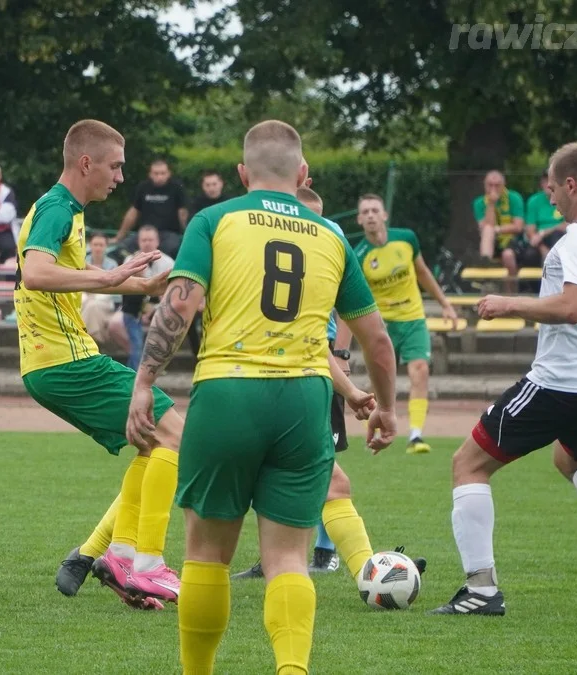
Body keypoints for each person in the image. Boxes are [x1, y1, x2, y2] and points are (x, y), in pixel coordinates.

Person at [127, 120, 399, 674]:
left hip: (228, 391)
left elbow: (180, 306)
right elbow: (376, 340)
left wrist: (145, 382)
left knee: (206, 555)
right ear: (302, 174)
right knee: (289, 558)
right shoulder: (330, 235)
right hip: (303, 400)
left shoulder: (213, 219)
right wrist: (386, 408)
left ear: (241, 173)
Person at [430, 142, 577, 617]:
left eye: (553, 184)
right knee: (572, 458)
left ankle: (481, 589)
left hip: (560, 384)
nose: (549, 193)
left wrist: (508, 303)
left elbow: (572, 307)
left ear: (572, 184)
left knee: (468, 464)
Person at [15, 120, 186, 610]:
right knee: (175, 436)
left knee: (152, 445)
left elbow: (75, 273)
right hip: (66, 362)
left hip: (58, 364)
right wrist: (113, 275)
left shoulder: (67, 210)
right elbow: (36, 273)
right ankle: (144, 564)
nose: (119, 177)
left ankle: (117, 559)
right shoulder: (56, 208)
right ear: (86, 163)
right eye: (115, 166)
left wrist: (141, 286)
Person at [231, 186, 427, 584]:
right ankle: (362, 569)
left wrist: (347, 380)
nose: (316, 226)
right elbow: (360, 340)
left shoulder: (262, 246)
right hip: (293, 386)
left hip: (255, 384)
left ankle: (349, 564)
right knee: (321, 479)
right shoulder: (322, 253)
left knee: (316, 478)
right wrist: (356, 391)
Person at [354, 194, 458, 454]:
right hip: (381, 326)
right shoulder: (358, 255)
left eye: (374, 210)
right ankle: (378, 427)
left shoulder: (406, 239)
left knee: (420, 370)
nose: (370, 215)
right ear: (359, 220)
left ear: (384, 215)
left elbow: (422, 272)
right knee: (381, 381)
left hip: (412, 318)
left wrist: (445, 304)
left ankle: (415, 436)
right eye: (365, 212)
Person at [119, 225, 174, 369]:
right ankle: (134, 373)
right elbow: (123, 289)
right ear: (138, 242)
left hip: (159, 309)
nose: (147, 243)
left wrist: (153, 310)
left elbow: (169, 296)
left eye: (150, 240)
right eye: (144, 240)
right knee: (135, 343)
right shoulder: (130, 260)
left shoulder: (168, 263)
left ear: (157, 242)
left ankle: (142, 371)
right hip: (132, 309)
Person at [111, 159, 189, 257]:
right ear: (150, 174)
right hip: (145, 232)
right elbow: (133, 212)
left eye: (162, 173)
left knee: (169, 251)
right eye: (156, 173)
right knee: (122, 249)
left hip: (168, 233)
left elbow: (182, 213)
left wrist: (187, 234)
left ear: (168, 174)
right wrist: (119, 236)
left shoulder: (177, 188)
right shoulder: (143, 187)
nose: (159, 176)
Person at [474, 170, 527, 286]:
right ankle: (486, 261)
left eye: (497, 185)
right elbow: (485, 228)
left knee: (507, 255)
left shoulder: (514, 198)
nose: (493, 189)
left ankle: (511, 292)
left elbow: (518, 226)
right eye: (490, 185)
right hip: (491, 242)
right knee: (487, 229)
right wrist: (491, 204)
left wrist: (497, 229)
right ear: (484, 185)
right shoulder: (479, 203)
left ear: (504, 185)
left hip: (512, 240)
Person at [525, 170, 566, 259]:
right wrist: (541, 247)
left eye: (551, 181)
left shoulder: (566, 199)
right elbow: (530, 230)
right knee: (529, 254)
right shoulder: (534, 201)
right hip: (540, 241)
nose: (548, 184)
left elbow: (567, 224)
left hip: (560, 238)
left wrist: (543, 233)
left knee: (557, 235)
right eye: (545, 181)